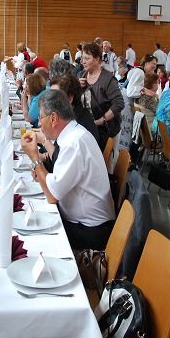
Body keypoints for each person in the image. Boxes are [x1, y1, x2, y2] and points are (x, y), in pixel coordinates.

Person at [20, 90, 115, 250]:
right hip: (84, 222)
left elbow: (52, 196)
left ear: (54, 118)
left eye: (41, 117)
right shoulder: (73, 133)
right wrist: (42, 171)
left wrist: (35, 158)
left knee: (31, 238)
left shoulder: (73, 143)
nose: (39, 123)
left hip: (90, 231)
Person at [78, 42, 125, 150]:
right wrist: (76, 88)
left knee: (104, 160)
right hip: (87, 129)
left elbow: (119, 103)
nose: (83, 61)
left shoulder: (108, 79)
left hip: (106, 131)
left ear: (97, 59)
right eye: (83, 58)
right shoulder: (81, 75)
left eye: (87, 58)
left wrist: (101, 120)